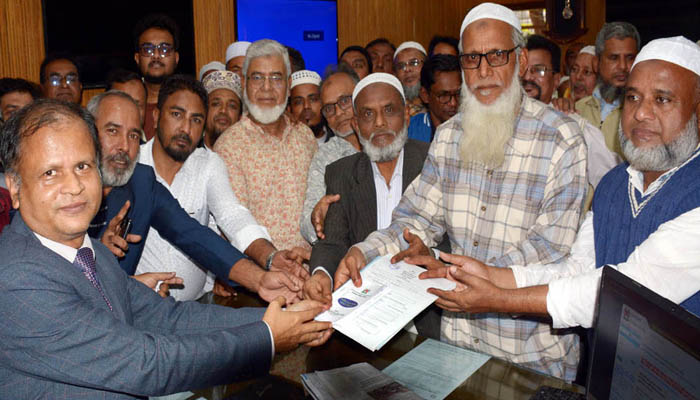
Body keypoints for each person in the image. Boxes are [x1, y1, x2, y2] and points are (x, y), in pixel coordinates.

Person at [0, 98, 332, 398]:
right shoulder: (17, 279)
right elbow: (146, 365)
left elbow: (168, 317)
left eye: (83, 166)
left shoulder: (92, 253)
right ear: (14, 187)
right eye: (50, 173)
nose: (73, 186)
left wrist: (284, 318)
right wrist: (267, 338)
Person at [334, 3, 588, 380]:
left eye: (496, 55)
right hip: (459, 349)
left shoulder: (562, 139)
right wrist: (363, 252)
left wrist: (460, 271)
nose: (483, 71)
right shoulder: (449, 135)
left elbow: (550, 250)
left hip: (530, 356)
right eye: (471, 58)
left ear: (520, 61)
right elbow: (415, 219)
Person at [419, 36, 700, 329]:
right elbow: (577, 269)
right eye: (632, 97)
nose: (641, 113)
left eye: (662, 99)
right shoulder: (614, 184)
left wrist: (499, 298)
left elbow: (628, 292)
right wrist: (490, 275)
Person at [87, 90, 304, 303]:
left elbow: (194, 235)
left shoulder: (142, 182)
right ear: (88, 132)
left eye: (133, 135)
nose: (124, 146)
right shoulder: (68, 188)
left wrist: (260, 279)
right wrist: (95, 254)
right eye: (112, 131)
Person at [304, 73, 449, 338]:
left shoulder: (434, 161)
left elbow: (457, 241)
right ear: (356, 125)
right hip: (365, 314)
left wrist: (431, 254)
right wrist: (321, 274)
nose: (380, 123)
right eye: (368, 114)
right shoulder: (341, 173)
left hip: (430, 312)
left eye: (389, 110)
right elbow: (332, 242)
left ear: (407, 115)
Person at [214, 39, 317, 253]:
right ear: (244, 82)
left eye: (276, 78)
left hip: (312, 265)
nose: (267, 88)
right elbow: (234, 226)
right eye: (257, 77)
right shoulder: (229, 146)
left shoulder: (305, 136)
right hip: (259, 268)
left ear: (289, 84)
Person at [522, 35, 619, 190]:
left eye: (539, 70)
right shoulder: (499, 124)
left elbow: (612, 185)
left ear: (556, 80)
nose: (527, 77)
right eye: (521, 69)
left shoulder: (577, 129)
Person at [300, 66, 362, 245]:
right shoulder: (325, 156)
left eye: (344, 101)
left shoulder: (384, 141)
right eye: (329, 108)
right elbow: (307, 224)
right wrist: (317, 218)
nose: (338, 112)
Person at [576, 22, 640, 158]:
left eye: (629, 58)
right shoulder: (578, 109)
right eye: (614, 58)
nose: (623, 66)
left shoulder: (642, 114)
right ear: (596, 63)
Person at [133, 14, 180, 140]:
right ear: (137, 58)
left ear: (176, 58)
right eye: (148, 49)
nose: (156, 56)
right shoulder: (127, 103)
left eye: (164, 49)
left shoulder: (187, 102)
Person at [409, 54, 461, 142]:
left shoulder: (474, 129)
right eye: (444, 95)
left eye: (458, 93)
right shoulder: (410, 132)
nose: (453, 103)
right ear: (425, 95)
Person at [202, 70, 242, 149]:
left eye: (232, 106)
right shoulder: (188, 153)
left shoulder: (252, 154)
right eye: (216, 104)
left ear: (240, 117)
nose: (223, 110)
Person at [289, 69, 330, 143]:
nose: (306, 106)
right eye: (298, 102)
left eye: (313, 99)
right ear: (289, 109)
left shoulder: (340, 139)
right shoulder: (281, 146)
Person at [393, 41, 428, 116]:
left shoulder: (437, 101)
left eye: (414, 63)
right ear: (395, 74)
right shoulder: (393, 107)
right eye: (401, 66)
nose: (407, 69)